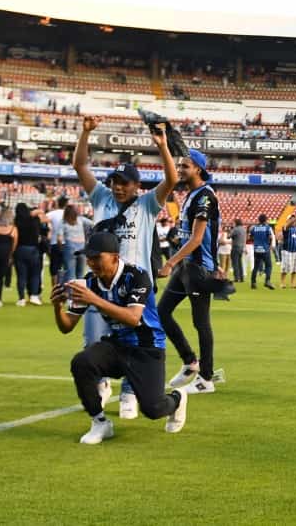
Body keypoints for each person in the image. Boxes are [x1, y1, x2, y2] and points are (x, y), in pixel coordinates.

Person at [73, 114, 178, 419]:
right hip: (102, 280)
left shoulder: (147, 204)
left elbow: (171, 180)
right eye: (115, 183)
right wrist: (85, 133)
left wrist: (162, 146)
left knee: (135, 339)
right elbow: (80, 166)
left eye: (124, 183)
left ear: (136, 185)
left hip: (135, 285)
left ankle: (131, 392)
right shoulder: (101, 197)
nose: (118, 188)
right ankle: (102, 382)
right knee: (95, 337)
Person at [53, 232, 189, 444]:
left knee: (153, 409)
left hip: (147, 349)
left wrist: (95, 300)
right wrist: (57, 307)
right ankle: (99, 423)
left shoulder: (137, 276)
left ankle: (177, 399)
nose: (91, 263)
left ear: (115, 257)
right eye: (89, 258)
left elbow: (133, 318)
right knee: (82, 362)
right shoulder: (90, 282)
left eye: (97, 258)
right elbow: (67, 326)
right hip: (118, 345)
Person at [159, 149, 228, 395]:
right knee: (162, 312)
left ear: (198, 169)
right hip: (187, 267)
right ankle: (190, 362)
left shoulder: (205, 197)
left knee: (201, 323)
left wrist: (169, 263)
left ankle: (206, 379)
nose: (179, 169)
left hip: (197, 269)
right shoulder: (191, 195)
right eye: (179, 165)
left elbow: (197, 239)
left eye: (184, 166)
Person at [56, 204, 90, 283]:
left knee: (70, 274)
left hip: (70, 247)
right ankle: (80, 294)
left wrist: (61, 248)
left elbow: (59, 238)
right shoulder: (81, 219)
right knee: (81, 275)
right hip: (82, 247)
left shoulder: (63, 221)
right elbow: (92, 224)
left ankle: (70, 294)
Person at [44, 196, 70, 289]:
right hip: (68, 244)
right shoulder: (70, 214)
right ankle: (67, 291)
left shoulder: (53, 213)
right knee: (68, 269)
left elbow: (43, 220)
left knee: (54, 269)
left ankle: (55, 292)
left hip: (55, 244)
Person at [250, 214, 276, 290]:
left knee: (256, 266)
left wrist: (256, 241)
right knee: (268, 265)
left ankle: (253, 282)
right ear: (265, 220)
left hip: (256, 249)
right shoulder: (268, 228)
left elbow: (250, 237)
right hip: (265, 249)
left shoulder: (254, 228)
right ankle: (267, 281)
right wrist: (270, 245)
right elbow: (271, 237)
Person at [279, 214, 296, 288]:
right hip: (287, 250)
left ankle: (293, 283)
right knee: (285, 267)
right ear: (288, 220)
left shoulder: (295, 229)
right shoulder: (285, 227)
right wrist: (295, 218)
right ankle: (282, 283)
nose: (293, 220)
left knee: (295, 268)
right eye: (291, 219)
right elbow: (290, 224)